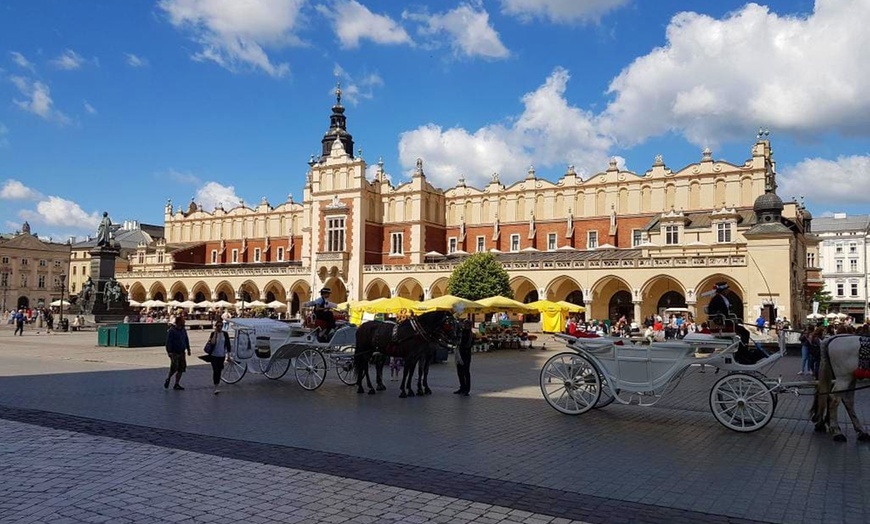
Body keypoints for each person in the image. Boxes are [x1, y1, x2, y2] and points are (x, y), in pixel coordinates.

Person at [164, 316, 191, 390]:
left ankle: (176, 383)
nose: (184, 322)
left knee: (181, 368)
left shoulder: (183, 330)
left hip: (182, 351)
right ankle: (168, 378)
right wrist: (169, 351)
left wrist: (188, 349)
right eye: (183, 321)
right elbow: (168, 342)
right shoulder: (172, 331)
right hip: (174, 352)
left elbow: (186, 339)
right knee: (174, 367)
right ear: (178, 322)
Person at [205, 321, 231, 395]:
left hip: (221, 355)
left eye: (221, 326)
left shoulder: (225, 334)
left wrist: (228, 356)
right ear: (216, 327)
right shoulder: (213, 334)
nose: (219, 327)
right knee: (215, 370)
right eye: (218, 326)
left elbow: (228, 345)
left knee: (219, 370)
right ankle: (216, 386)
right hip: (214, 355)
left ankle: (217, 384)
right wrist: (215, 333)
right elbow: (212, 343)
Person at [454, 319, 474, 396]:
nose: (464, 325)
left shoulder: (470, 333)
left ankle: (467, 389)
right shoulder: (462, 332)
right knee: (460, 372)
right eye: (464, 324)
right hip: (460, 353)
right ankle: (462, 387)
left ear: (469, 325)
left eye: (466, 324)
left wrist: (461, 346)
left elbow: (468, 344)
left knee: (466, 371)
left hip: (466, 354)